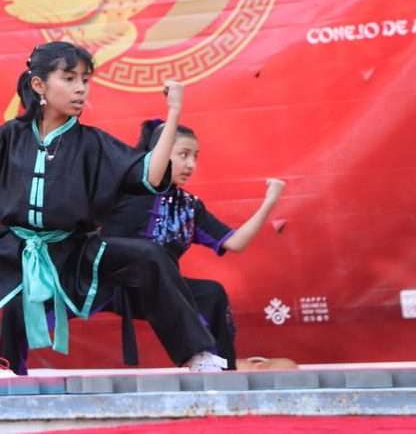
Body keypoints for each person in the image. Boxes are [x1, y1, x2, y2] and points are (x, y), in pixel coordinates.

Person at [0, 42, 224, 378]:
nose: (81, 89)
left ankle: (196, 354)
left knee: (149, 258)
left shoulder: (94, 144)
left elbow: (151, 175)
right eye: (69, 79)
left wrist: (173, 112)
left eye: (85, 80)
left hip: (75, 254)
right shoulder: (7, 138)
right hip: (8, 252)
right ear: (39, 85)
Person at [99, 120, 287, 369]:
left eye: (195, 157)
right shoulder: (127, 188)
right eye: (184, 154)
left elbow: (236, 243)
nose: (191, 164)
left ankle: (220, 369)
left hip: (162, 291)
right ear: (161, 152)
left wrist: (269, 202)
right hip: (109, 285)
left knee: (211, 294)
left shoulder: (189, 206)